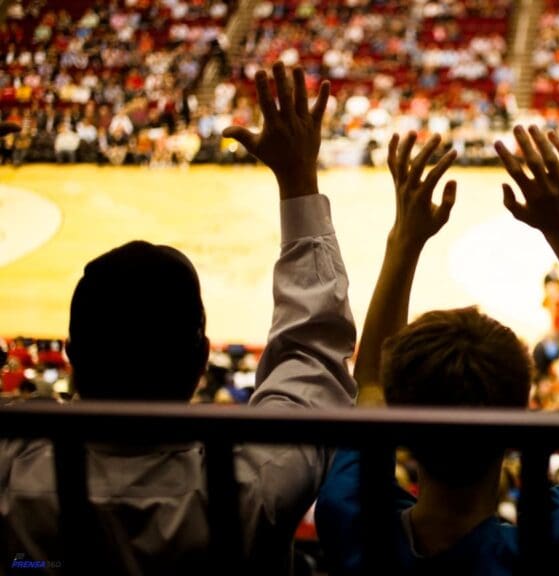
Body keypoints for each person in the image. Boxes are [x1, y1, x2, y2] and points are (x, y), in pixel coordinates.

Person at [0, 64, 355, 573]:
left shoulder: (10, 469)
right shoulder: (253, 487)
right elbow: (314, 353)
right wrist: (298, 180)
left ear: (74, 358)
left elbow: (311, 351)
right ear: (199, 358)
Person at [315, 125, 559, 573]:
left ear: (400, 427)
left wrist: (404, 238)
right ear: (520, 416)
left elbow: (370, 384)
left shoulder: (350, 516)